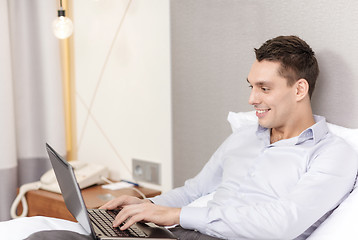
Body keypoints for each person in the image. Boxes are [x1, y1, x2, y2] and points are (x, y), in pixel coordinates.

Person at [98, 35, 358, 239]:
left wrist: (177, 215)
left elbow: (283, 224)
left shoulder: (333, 154)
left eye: (264, 88)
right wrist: (147, 205)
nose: (252, 99)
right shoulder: (244, 137)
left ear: (300, 88)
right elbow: (194, 192)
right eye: (252, 86)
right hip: (184, 234)